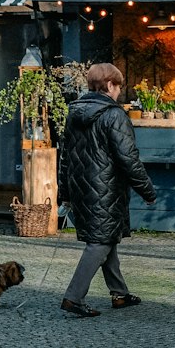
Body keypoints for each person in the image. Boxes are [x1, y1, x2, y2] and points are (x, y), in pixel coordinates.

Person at [57, 62, 156, 318]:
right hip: (107, 189)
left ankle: (119, 293)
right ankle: (74, 296)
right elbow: (129, 159)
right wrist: (147, 191)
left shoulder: (74, 113)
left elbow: (65, 157)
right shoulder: (114, 115)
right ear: (110, 85)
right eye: (118, 86)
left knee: (106, 238)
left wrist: (65, 193)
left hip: (82, 189)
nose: (119, 91)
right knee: (99, 242)